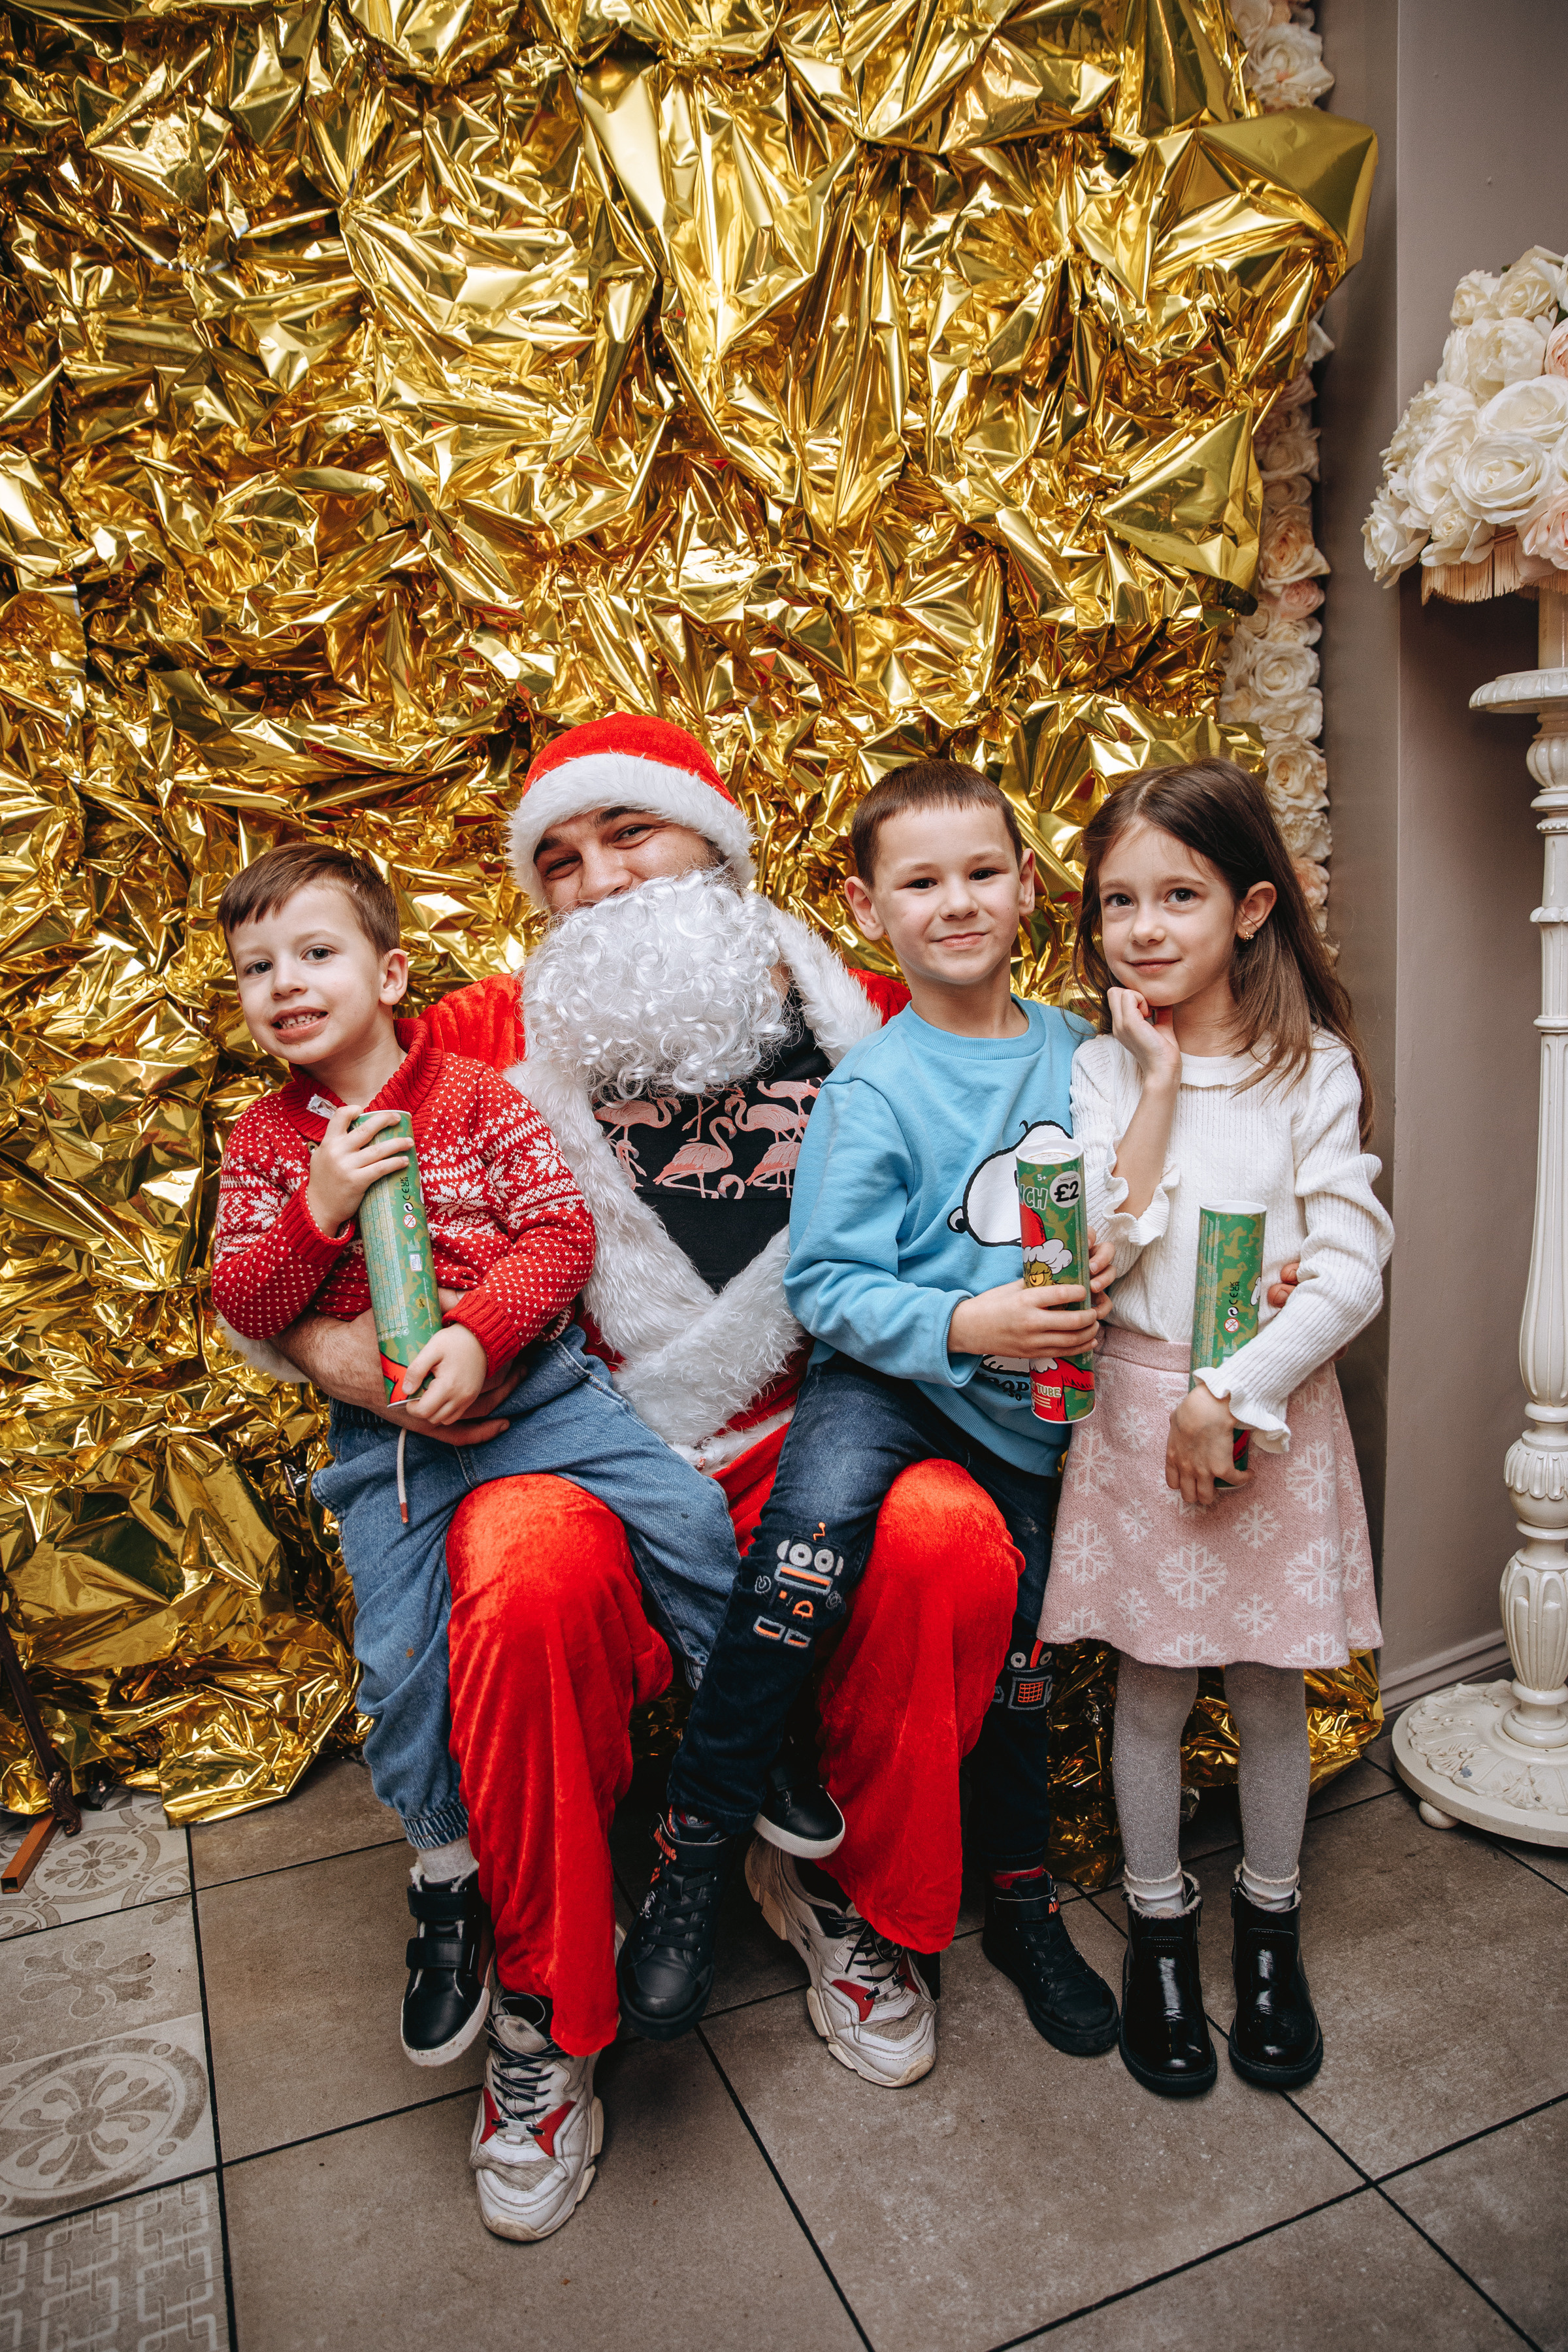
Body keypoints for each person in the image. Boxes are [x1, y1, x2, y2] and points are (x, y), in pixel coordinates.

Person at [242, 714, 1046, 2244]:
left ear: (717, 846)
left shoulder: (867, 1004)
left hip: (831, 1446)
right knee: (516, 1565)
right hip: (591, 1453)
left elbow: (1034, 1093)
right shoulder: (483, 1034)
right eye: (561, 858)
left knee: (947, 1537)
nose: (600, 880)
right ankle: (551, 2002)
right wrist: (334, 1353)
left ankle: (848, 1905)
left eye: (634, 836)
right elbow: (290, 1186)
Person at [617, 758, 1122, 2071]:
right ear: (868, 905)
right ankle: (702, 1842)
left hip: (1029, 1420)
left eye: (982, 872)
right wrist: (969, 1323)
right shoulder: (875, 1086)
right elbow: (832, 1288)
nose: (957, 903)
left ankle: (1018, 1898)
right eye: (921, 882)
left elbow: (1138, 1200)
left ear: (1027, 885)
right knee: (798, 1570)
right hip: (887, 1390)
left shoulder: (1092, 1057)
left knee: (1020, 1666)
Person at [210, 840, 744, 2074]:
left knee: (689, 1519)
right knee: (398, 1663)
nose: (286, 982)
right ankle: (446, 1875)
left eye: (316, 952)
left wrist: (479, 1328)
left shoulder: (471, 1097)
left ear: (390, 971)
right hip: (386, 1450)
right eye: (257, 968)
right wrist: (319, 1208)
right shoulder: (269, 1142)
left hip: (544, 1398)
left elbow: (557, 1239)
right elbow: (246, 1299)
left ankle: (741, 1745)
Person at [1037, 758, 1391, 2099]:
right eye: (1117, 900)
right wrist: (1158, 1083)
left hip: (1262, 1413)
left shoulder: (1315, 1071)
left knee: (1266, 1685)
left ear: (1248, 909)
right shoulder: (1097, 1068)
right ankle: (1164, 1937)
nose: (1142, 926)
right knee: (1151, 1684)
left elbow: (1351, 1266)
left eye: (1176, 893)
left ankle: (1272, 1934)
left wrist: (1230, 1390)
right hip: (1134, 1411)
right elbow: (1098, 1256)